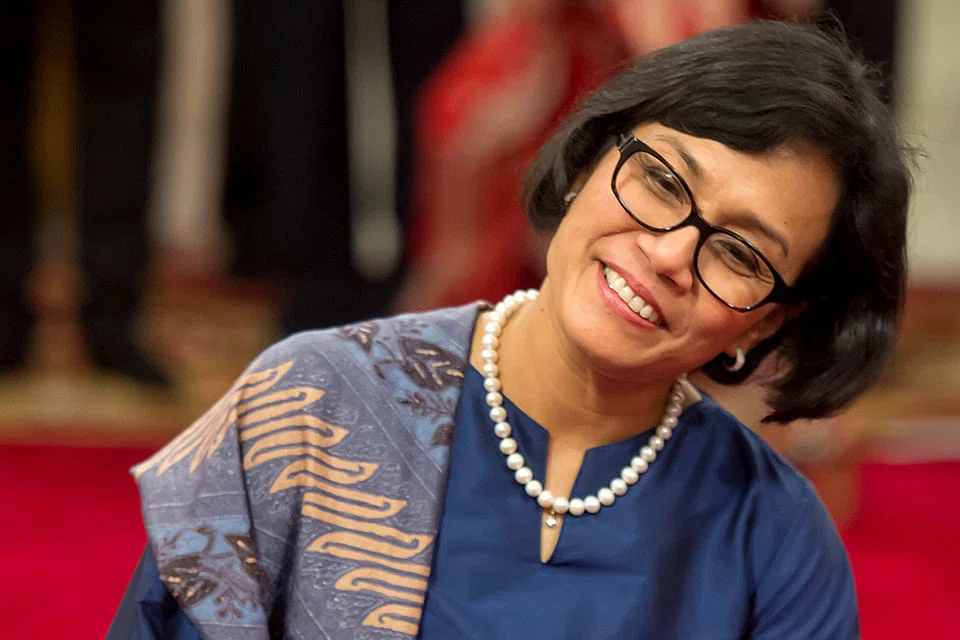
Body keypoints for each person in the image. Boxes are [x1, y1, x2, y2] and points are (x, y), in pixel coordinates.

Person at [108, 21, 911, 638]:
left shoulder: (770, 537)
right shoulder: (312, 405)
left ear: (769, 318)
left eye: (737, 253)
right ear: (589, 157)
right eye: (662, 181)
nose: (668, 253)